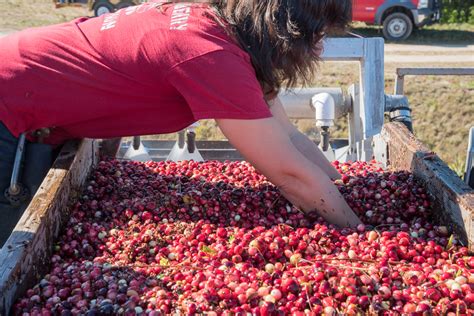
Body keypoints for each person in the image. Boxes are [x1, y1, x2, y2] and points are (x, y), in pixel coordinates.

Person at [0, 0, 361, 244]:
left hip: (24, 93)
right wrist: (361, 234)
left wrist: (343, 188)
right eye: (319, 33)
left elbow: (288, 136)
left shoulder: (219, 26)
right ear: (288, 29)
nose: (319, 49)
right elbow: (290, 175)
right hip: (8, 103)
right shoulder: (210, 54)